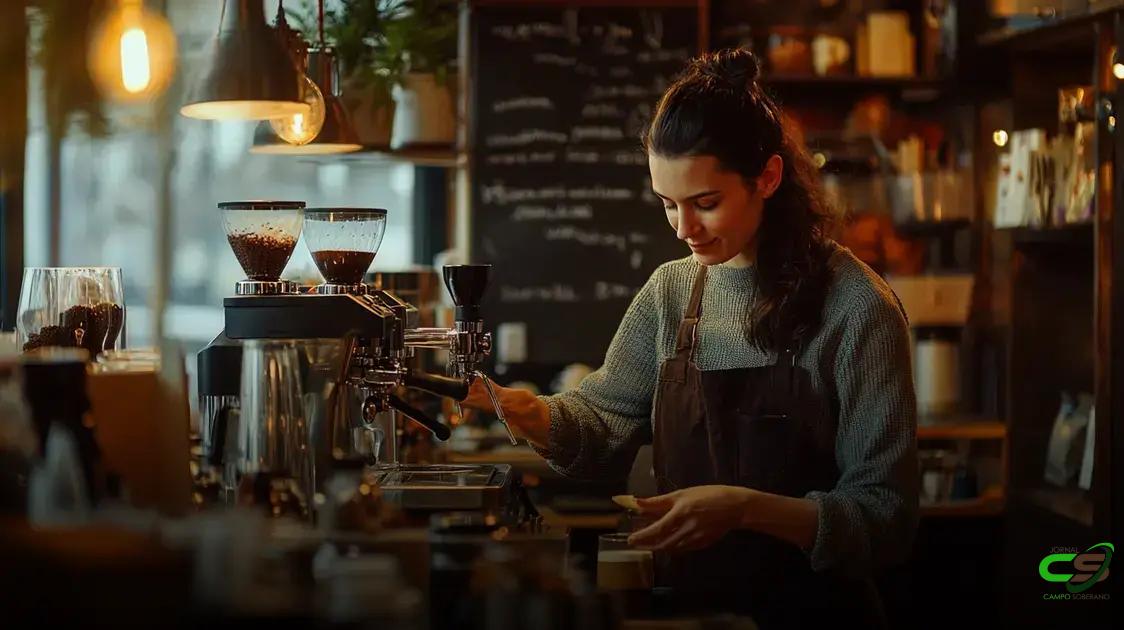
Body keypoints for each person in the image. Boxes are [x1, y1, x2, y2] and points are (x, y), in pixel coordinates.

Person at [462, 48, 918, 628]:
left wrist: (745, 509)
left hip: (815, 615)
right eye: (667, 204)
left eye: (706, 204)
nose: (683, 229)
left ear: (769, 178)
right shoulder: (672, 292)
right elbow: (603, 422)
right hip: (688, 613)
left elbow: (886, 519)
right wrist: (531, 413)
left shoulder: (857, 309)